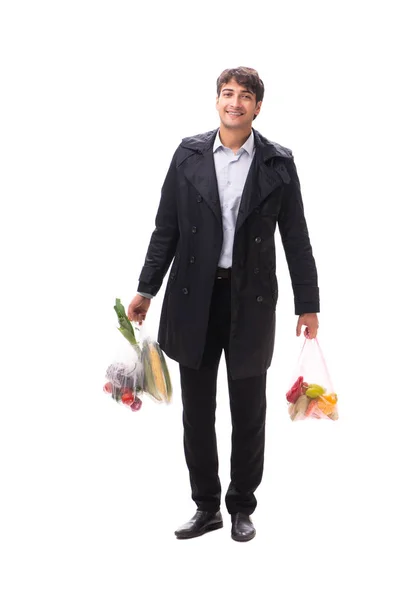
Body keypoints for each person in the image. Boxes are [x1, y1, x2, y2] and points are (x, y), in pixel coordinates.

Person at [127, 67, 319, 542]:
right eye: (227, 94)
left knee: (249, 408)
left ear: (257, 107)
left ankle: (241, 508)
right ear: (216, 102)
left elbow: (295, 236)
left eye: (245, 96)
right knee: (197, 410)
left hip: (250, 301)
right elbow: (166, 228)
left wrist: (308, 304)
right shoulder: (188, 154)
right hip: (194, 298)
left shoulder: (278, 162)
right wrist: (146, 289)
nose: (235, 102)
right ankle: (206, 506)